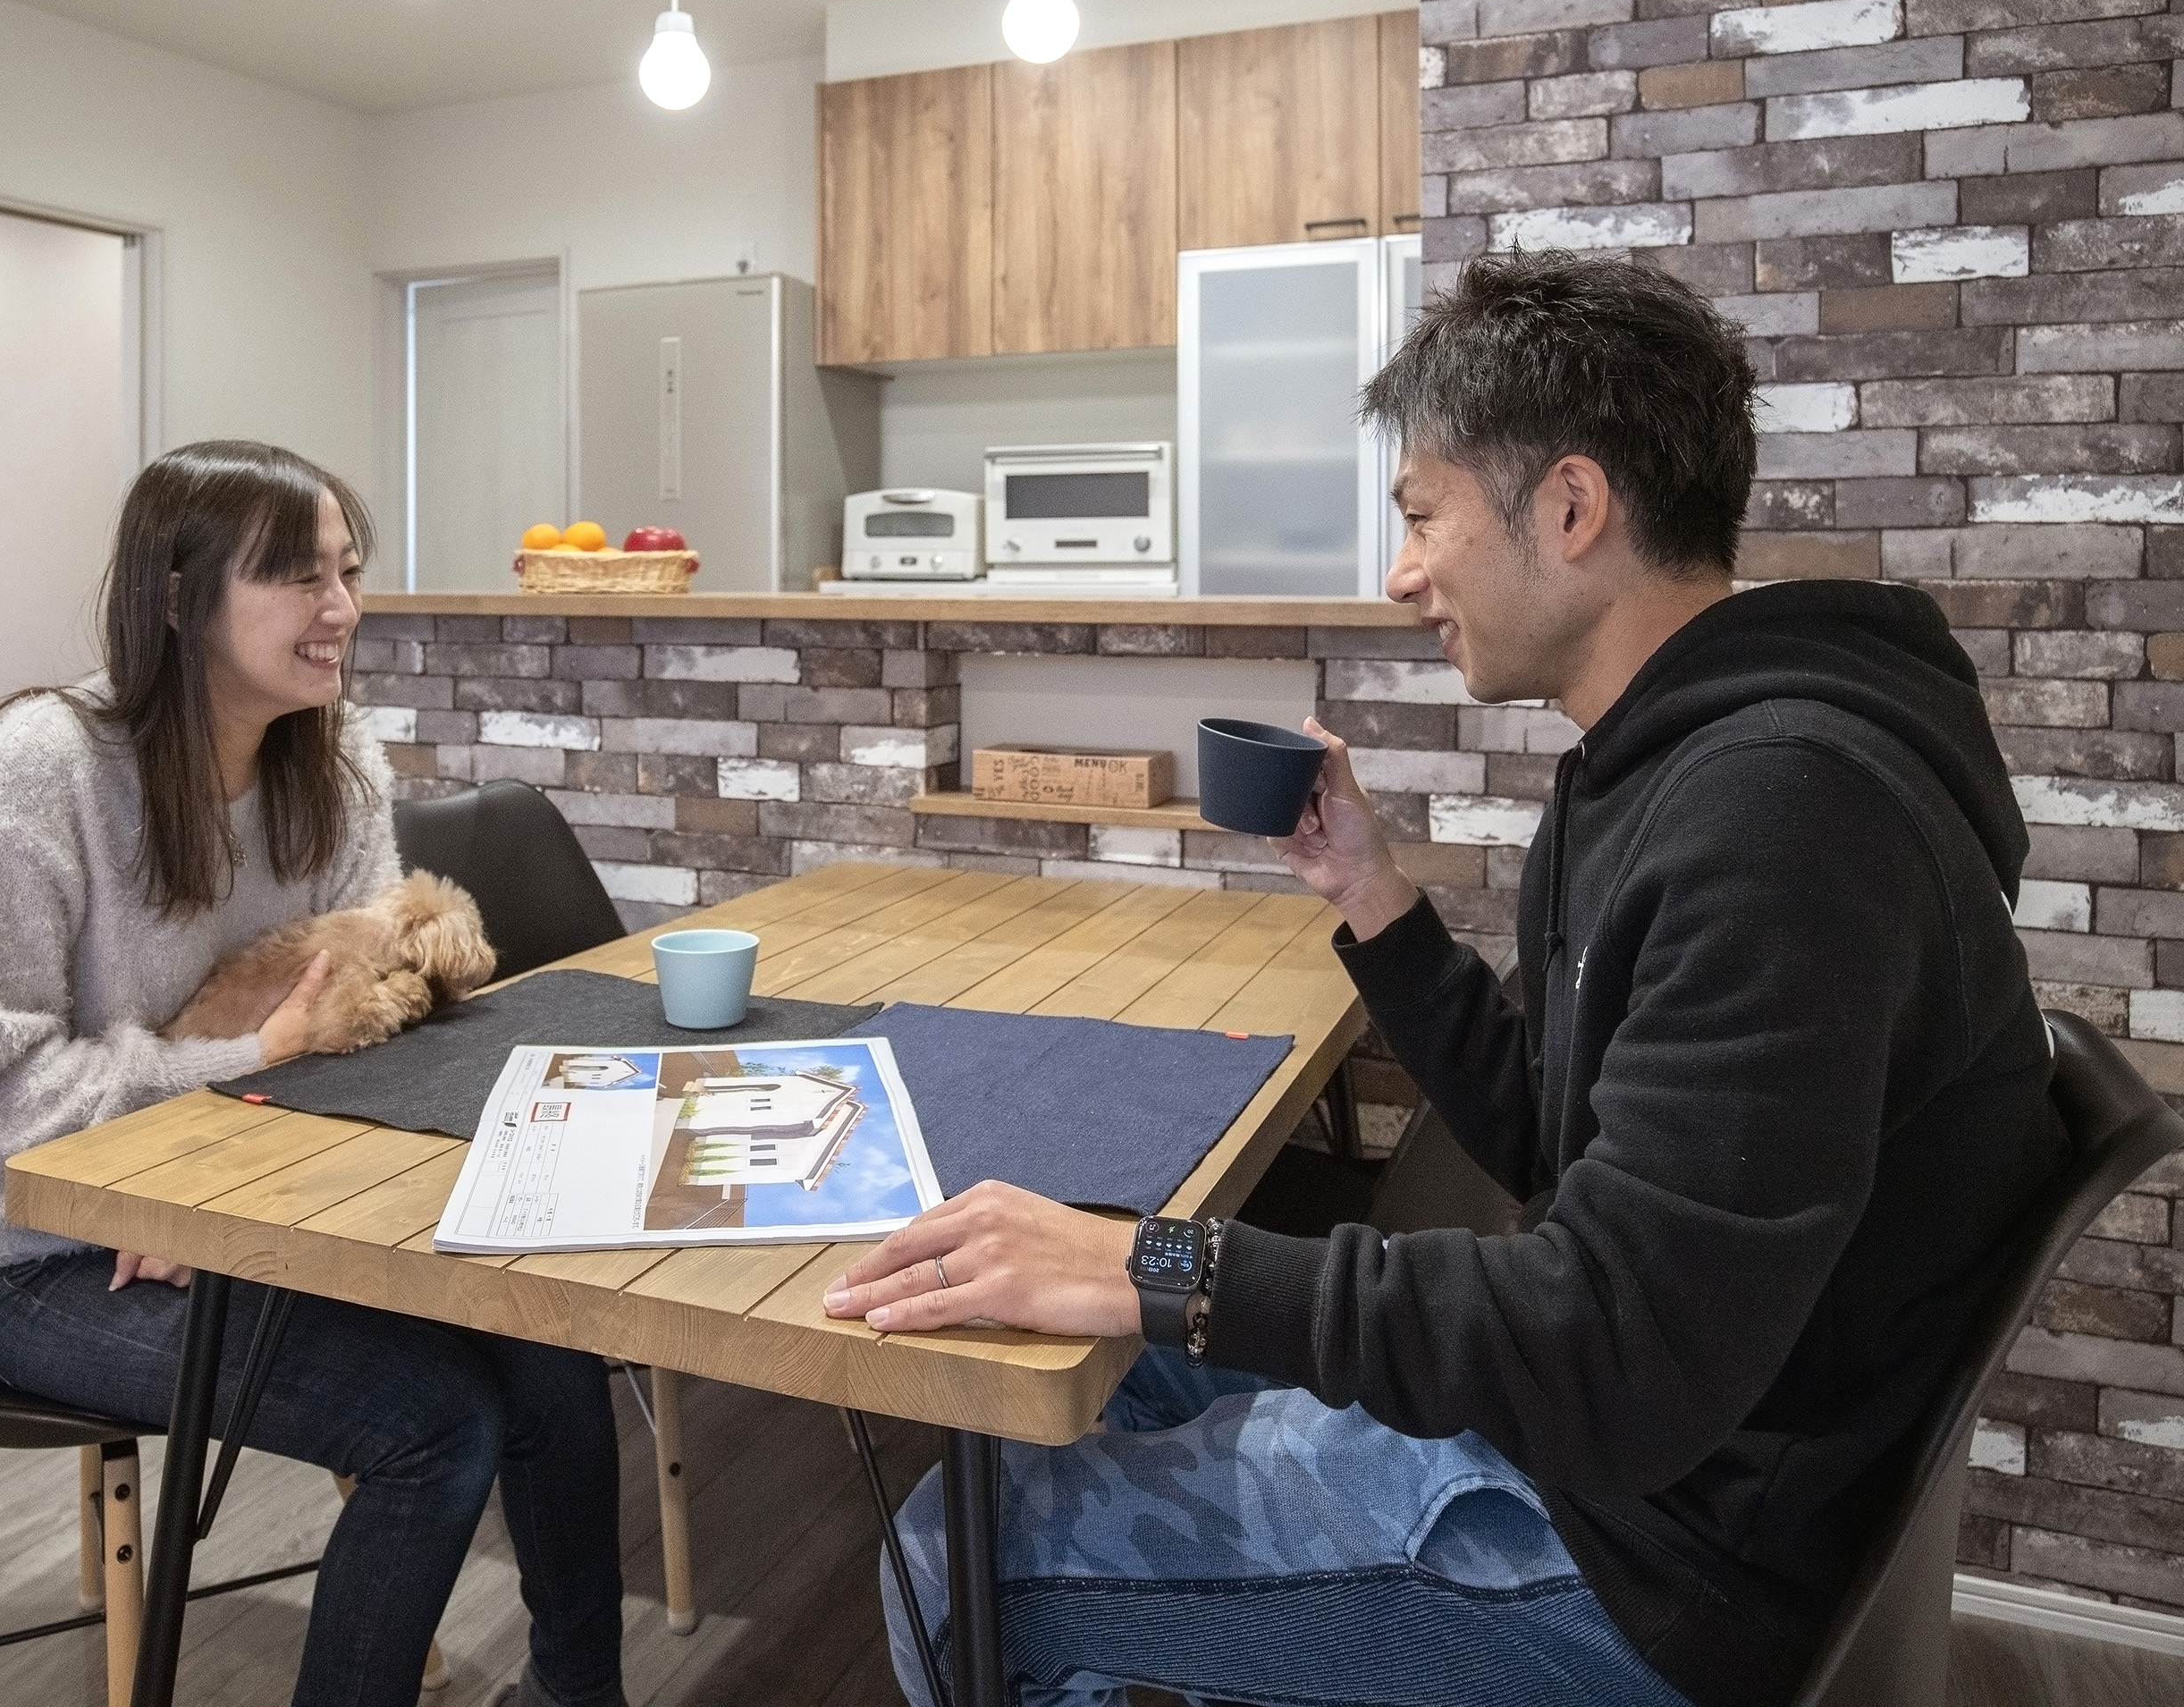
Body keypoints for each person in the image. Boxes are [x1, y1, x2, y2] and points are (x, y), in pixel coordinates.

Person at [828, 254, 2068, 1707]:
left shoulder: (1781, 818)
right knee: (1027, 1387)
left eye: (1421, 517)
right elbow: (1562, 1143)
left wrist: (1155, 1262)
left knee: (947, 1559)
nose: (1401, 572)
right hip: (1628, 1460)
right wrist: (1372, 894)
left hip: (1655, 1570)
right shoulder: (1663, 765)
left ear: (1570, 507)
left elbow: (1612, 1347)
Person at [0, 439, 624, 1707]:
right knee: (430, 1427)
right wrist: (229, 1089)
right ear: (177, 600)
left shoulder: (332, 759)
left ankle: (580, 1695)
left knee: (550, 1347)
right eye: (296, 578)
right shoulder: (46, 769)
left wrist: (218, 1204)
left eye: (346, 572)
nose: (340, 609)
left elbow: (363, 1029)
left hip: (243, 1210)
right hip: (43, 1257)